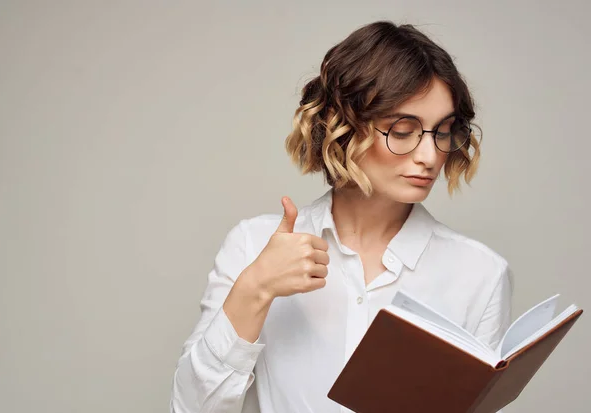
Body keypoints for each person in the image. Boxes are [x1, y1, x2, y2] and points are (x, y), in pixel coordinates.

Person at [170, 20, 512, 413]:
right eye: (403, 130)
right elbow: (190, 408)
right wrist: (257, 288)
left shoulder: (481, 275)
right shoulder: (253, 245)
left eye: (443, 131)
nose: (430, 156)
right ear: (344, 126)